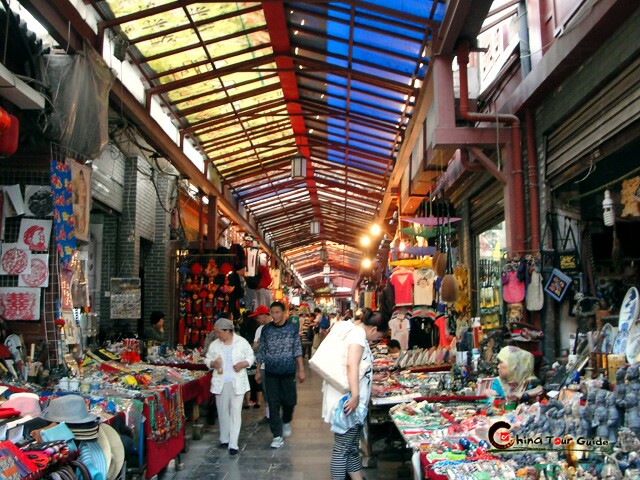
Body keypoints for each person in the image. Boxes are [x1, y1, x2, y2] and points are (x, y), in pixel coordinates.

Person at [321, 308, 389, 480]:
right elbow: (352, 364)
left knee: (350, 447)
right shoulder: (358, 335)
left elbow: (358, 369)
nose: (376, 341)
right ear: (373, 329)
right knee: (342, 449)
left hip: (346, 398)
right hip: (348, 401)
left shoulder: (350, 328)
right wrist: (355, 396)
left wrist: (371, 381)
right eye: (378, 337)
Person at [255, 301, 304, 449]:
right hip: (271, 372)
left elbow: (297, 349)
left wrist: (301, 369)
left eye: (277, 312)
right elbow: (262, 350)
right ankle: (277, 435)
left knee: (290, 401)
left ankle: (287, 420)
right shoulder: (266, 330)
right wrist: (258, 370)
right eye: (272, 313)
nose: (274, 315)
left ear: (284, 313)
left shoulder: (292, 328)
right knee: (273, 403)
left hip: (288, 371)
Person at [204, 318, 255, 455]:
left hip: (237, 382)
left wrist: (244, 363)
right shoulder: (215, 344)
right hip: (221, 382)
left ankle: (234, 443)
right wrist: (212, 363)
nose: (218, 335)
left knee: (235, 411)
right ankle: (224, 438)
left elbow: (251, 356)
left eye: (219, 332)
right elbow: (207, 358)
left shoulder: (241, 342)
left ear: (228, 331)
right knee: (222, 411)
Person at [249, 305, 271, 421]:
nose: (257, 319)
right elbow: (256, 347)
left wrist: (254, 347)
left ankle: (272, 415)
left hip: (271, 365)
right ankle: (269, 415)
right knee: (266, 391)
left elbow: (256, 347)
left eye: (258, 316)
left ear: (263, 315)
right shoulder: (260, 329)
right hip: (263, 365)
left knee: (270, 391)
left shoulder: (264, 329)